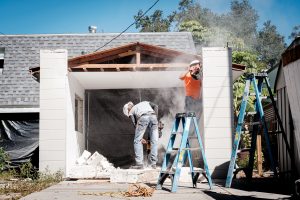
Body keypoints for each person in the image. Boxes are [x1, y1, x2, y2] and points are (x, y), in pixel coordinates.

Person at [123, 101, 159, 169]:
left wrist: (140, 138)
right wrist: (155, 118)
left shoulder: (131, 111)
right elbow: (156, 106)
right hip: (153, 117)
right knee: (154, 141)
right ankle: (153, 163)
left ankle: (139, 163)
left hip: (143, 117)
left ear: (128, 109)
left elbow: (135, 125)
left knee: (137, 141)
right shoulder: (144, 102)